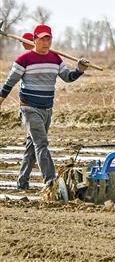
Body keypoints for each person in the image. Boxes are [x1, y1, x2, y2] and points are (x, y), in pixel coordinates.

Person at [0, 24, 89, 190]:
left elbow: (68, 77)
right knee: (41, 144)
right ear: (34, 40)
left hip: (47, 109)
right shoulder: (24, 59)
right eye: (42, 38)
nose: (45, 41)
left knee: (32, 147)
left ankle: (22, 183)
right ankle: (51, 182)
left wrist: (79, 70)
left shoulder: (55, 59)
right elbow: (9, 82)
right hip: (29, 108)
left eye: (48, 38)